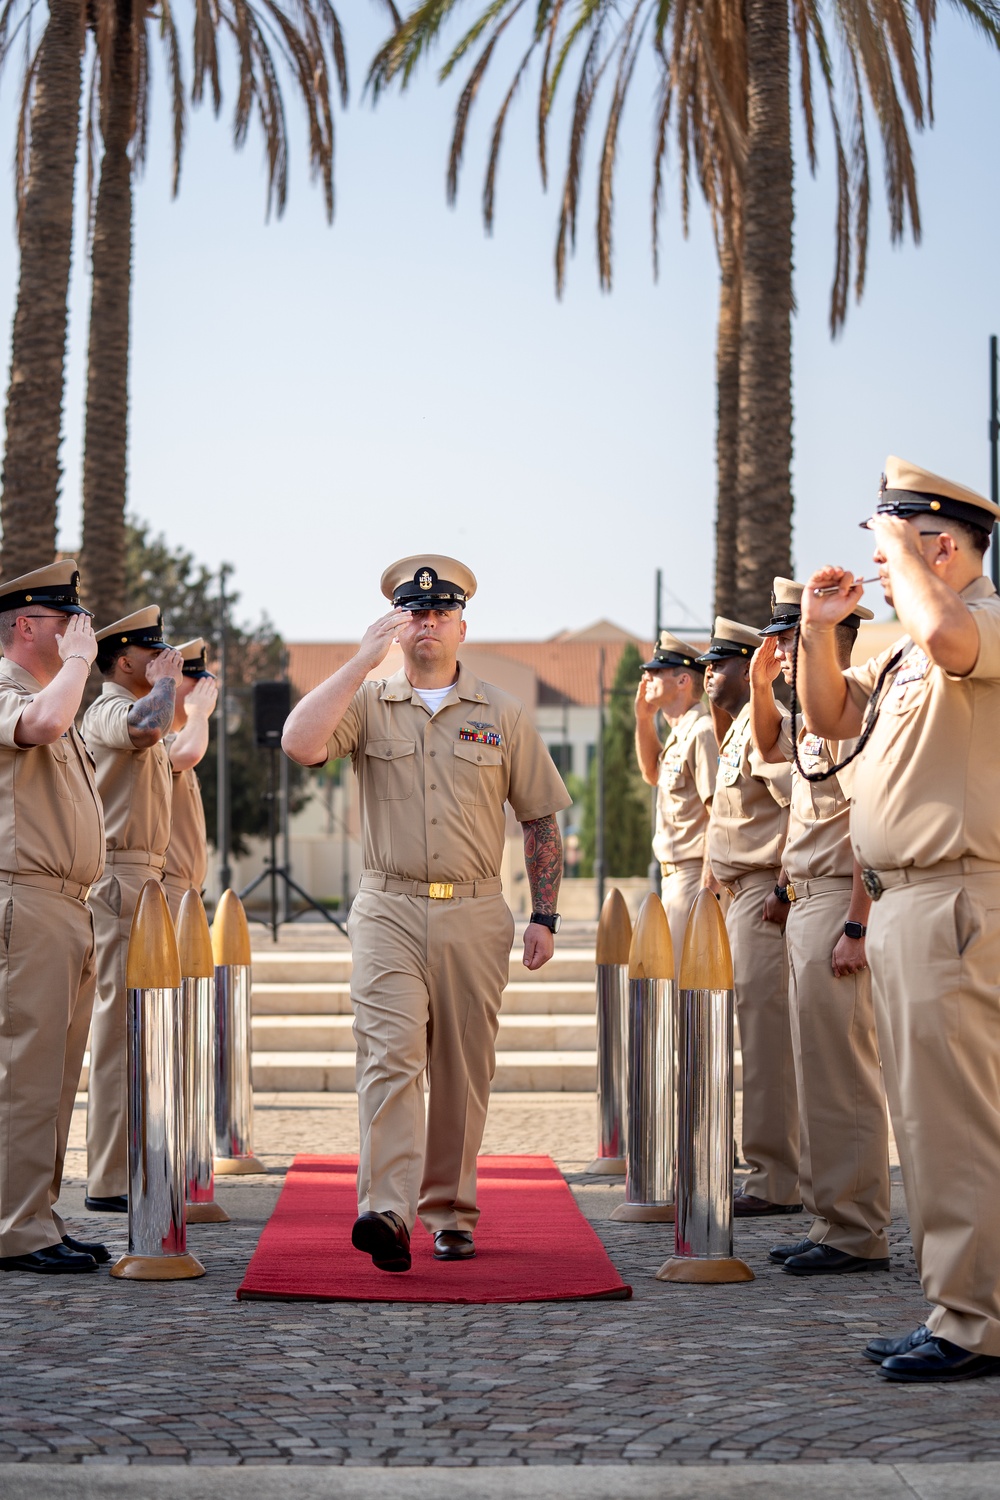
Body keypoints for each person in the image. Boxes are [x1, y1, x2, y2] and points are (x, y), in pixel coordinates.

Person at [282, 555, 571, 1272]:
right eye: (415, 612)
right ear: (398, 624)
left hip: (476, 909)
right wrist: (357, 662)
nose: (427, 621)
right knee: (389, 1056)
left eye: (441, 611)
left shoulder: (502, 713)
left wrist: (545, 916)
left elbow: (539, 820)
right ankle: (386, 1208)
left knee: (462, 1069)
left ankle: (450, 1210)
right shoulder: (367, 701)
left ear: (463, 627)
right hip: (389, 906)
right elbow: (300, 743)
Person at [798, 455, 1000, 1382]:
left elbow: (953, 635)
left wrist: (897, 550)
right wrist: (816, 633)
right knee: (924, 1123)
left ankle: (976, 1323)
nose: (881, 565)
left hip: (959, 893)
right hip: (904, 897)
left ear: (946, 546)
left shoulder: (977, 623)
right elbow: (833, 720)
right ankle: (954, 1308)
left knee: (958, 1123)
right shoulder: (905, 649)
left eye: (897, 546)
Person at [748, 578, 891, 1276]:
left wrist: (857, 925)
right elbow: (771, 758)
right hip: (807, 900)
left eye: (790, 638)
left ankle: (858, 1228)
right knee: (815, 1072)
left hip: (839, 900)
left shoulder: (853, 717)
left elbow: (867, 825)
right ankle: (830, 1216)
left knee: (844, 1075)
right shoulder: (813, 719)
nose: (779, 650)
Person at [0, 563, 110, 1274]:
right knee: (24, 1074)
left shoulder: (54, 693)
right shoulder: (17, 693)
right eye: (61, 619)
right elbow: (40, 726)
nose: (78, 631)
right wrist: (76, 663)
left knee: (54, 1075)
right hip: (27, 898)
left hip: (68, 904)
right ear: (22, 627)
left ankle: (36, 1216)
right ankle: (15, 1230)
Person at [82, 608, 184, 1213]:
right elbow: (146, 726)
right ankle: (109, 1178)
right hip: (119, 876)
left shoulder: (138, 705)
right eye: (154, 653)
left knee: (141, 1030)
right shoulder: (110, 708)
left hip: (146, 877)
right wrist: (169, 684)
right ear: (125, 659)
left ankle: (130, 1165)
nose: (163, 660)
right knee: (120, 1030)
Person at [698, 616, 800, 1217]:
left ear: (749, 666)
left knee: (765, 1043)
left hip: (763, 894)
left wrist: (785, 888)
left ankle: (772, 1178)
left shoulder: (773, 725)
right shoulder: (735, 732)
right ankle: (767, 1167)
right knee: (749, 1036)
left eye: (721, 663)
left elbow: (802, 808)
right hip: (736, 893)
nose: (709, 671)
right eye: (707, 663)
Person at [634, 631, 717, 968]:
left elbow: (717, 815)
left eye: (657, 671)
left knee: (685, 987)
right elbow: (652, 774)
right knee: (672, 986)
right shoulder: (680, 732)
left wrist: (707, 889)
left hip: (692, 876)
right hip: (673, 879)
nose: (647, 677)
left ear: (683, 680)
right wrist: (642, 718)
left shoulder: (702, 731)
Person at [163, 639, 218, 919]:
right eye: (192, 680)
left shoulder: (176, 737)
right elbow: (188, 752)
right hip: (165, 889)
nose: (201, 689)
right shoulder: (154, 738)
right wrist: (198, 713)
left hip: (185, 890)